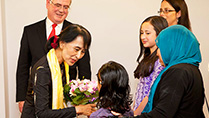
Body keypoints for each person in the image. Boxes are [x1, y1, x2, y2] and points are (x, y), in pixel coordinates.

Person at [16, 0, 91, 113]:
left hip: (65, 101)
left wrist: (84, 100)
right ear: (47, 3)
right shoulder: (30, 31)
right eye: (58, 5)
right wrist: (22, 98)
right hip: (38, 97)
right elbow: (23, 66)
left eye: (66, 7)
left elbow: (84, 70)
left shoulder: (78, 34)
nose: (61, 10)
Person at [21, 24, 96, 118]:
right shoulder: (43, 70)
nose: (78, 56)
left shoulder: (64, 65)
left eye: (83, 52)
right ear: (62, 43)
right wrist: (77, 110)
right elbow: (41, 113)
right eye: (76, 49)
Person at [137, 25, 205, 118]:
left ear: (171, 47)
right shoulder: (191, 69)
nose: (157, 53)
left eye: (160, 47)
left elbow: (162, 114)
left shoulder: (177, 72)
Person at [133, 16, 168, 115]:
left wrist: (136, 114)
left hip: (147, 112)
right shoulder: (147, 58)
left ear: (159, 34)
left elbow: (150, 93)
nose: (143, 37)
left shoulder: (160, 61)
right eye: (141, 33)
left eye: (147, 33)